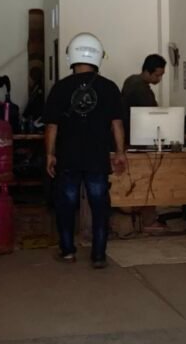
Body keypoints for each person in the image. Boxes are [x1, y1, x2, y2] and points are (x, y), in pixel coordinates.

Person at [43, 32, 126, 269]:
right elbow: (117, 124)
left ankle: (68, 251)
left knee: (66, 205)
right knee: (100, 206)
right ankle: (98, 256)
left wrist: (49, 154)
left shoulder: (60, 88)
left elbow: (52, 126)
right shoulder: (109, 87)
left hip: (68, 157)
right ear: (99, 56)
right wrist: (120, 152)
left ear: (71, 56)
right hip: (97, 157)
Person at [121, 54, 166, 138]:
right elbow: (152, 113)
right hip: (135, 135)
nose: (160, 79)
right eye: (157, 75)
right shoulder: (139, 87)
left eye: (161, 75)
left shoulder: (131, 80)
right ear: (147, 71)